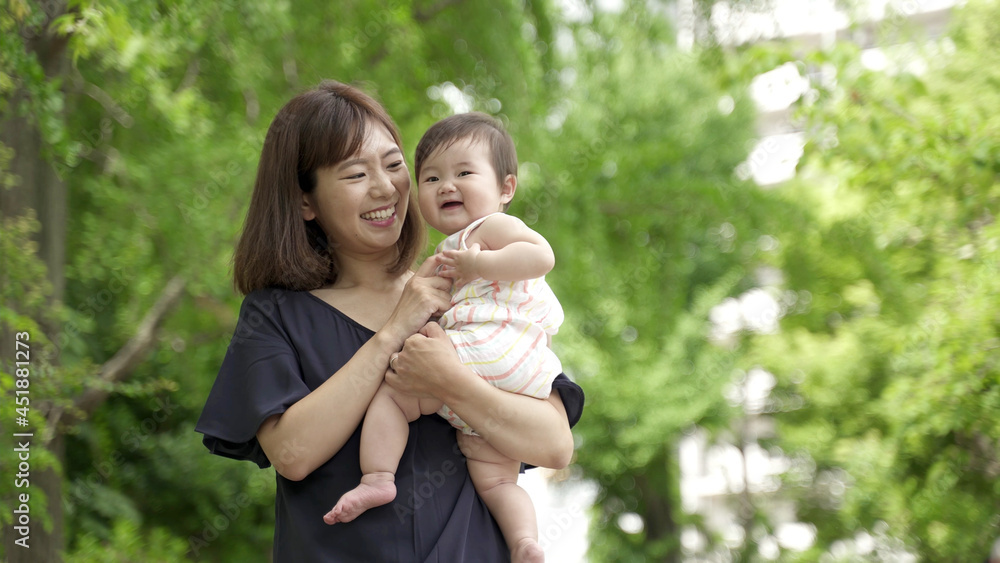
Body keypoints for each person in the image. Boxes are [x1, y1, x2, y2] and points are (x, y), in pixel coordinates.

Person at [194, 81, 584, 562]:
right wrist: (394, 332)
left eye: (395, 165)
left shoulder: (467, 287)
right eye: (355, 174)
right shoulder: (277, 314)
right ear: (305, 202)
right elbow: (291, 454)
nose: (385, 188)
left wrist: (451, 382)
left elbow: (554, 445)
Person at [326, 113, 562, 562]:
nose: (446, 185)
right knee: (496, 480)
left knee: (395, 395)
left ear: (506, 189)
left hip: (487, 351)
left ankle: (377, 477)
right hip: (513, 380)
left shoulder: (486, 231)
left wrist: (479, 265)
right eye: (432, 177)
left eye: (464, 173)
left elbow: (541, 255)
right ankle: (524, 542)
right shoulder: (445, 253)